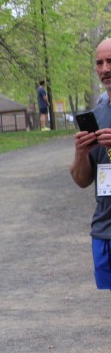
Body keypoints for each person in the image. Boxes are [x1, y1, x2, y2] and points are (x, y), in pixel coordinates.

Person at [71, 38, 111, 289]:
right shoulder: (97, 114)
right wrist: (80, 153)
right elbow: (82, 180)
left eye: (110, 61)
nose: (105, 69)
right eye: (99, 63)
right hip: (104, 228)